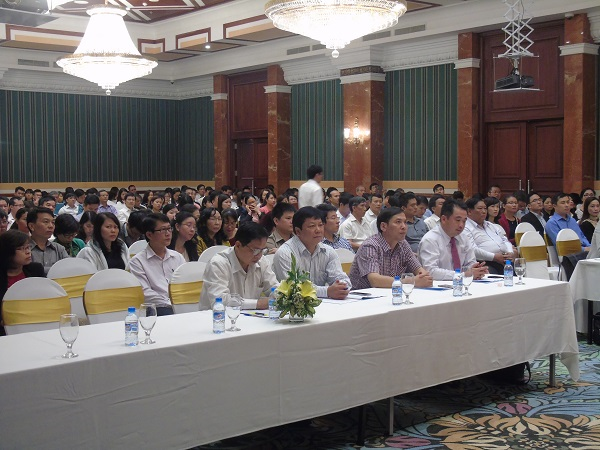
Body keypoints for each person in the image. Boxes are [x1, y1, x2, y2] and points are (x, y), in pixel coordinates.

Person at [273, 206, 351, 299]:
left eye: (320, 225)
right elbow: (293, 287)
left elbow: (341, 277)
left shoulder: (328, 251)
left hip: (325, 303)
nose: (318, 230)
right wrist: (327, 291)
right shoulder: (285, 253)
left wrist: (341, 286)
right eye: (312, 226)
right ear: (298, 231)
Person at [199, 221, 278, 311]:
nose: (259, 255)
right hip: (217, 317)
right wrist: (258, 304)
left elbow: (274, 287)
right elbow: (220, 300)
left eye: (262, 250)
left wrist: (280, 295)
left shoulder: (262, 261)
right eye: (255, 250)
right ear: (238, 245)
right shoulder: (218, 264)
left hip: (251, 316)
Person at [349, 208, 433, 289]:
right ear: (383, 226)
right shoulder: (370, 246)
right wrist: (411, 281)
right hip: (363, 295)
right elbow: (375, 280)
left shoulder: (403, 244)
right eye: (398, 222)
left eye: (405, 222)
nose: (404, 226)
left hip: (391, 293)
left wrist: (424, 278)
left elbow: (420, 271)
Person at [418, 199, 488, 281]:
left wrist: (476, 269)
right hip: (437, 286)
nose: (461, 225)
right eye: (458, 220)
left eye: (464, 221)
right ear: (444, 219)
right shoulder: (430, 240)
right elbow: (430, 271)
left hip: (461, 283)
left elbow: (470, 262)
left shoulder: (463, 237)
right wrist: (463, 275)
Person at [129, 214, 185, 316]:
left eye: (169, 229)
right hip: (157, 307)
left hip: (180, 303)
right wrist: (170, 303)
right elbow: (145, 293)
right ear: (149, 235)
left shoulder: (177, 257)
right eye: (163, 230)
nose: (168, 233)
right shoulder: (137, 261)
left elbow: (185, 283)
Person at [0, 230, 45, 334]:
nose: (28, 252)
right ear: (7, 252)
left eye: (28, 247)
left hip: (36, 323)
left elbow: (44, 297)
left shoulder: (36, 269)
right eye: (21, 249)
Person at [463, 197, 517, 274]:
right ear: (469, 211)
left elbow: (505, 240)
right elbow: (472, 249)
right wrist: (494, 257)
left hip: (504, 259)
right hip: (484, 262)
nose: (484, 211)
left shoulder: (491, 225)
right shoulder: (466, 227)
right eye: (480, 208)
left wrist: (510, 252)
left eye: (485, 208)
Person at [27, 207, 69, 275]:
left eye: (53, 222)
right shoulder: (23, 250)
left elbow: (68, 269)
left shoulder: (59, 249)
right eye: (46, 222)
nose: (51, 226)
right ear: (32, 226)